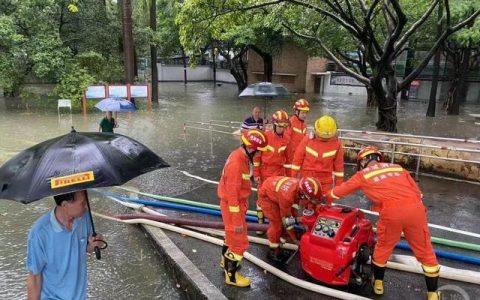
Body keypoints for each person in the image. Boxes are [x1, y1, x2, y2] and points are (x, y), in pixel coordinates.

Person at [326, 146, 440, 300]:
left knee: (384, 247)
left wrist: (323, 194)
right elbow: (418, 193)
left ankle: (378, 284)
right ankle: (433, 293)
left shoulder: (363, 174)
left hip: (392, 213)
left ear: (364, 160)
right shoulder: (398, 168)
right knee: (426, 251)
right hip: (416, 210)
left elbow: (338, 192)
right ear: (378, 158)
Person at [26, 190, 105, 300]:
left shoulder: (84, 217)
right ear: (65, 205)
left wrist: (94, 244)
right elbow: (34, 277)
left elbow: (84, 248)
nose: (86, 205)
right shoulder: (39, 233)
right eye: (82, 203)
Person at [217, 129, 268, 287]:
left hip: (233, 205)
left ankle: (225, 261)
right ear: (252, 148)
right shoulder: (237, 163)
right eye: (258, 151)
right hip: (234, 207)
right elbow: (233, 196)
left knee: (230, 236)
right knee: (240, 243)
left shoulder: (239, 155)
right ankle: (231, 276)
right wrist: (238, 220)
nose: (259, 154)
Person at [257, 176, 321, 263]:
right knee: (277, 224)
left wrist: (298, 221)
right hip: (267, 197)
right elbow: (286, 221)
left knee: (288, 217)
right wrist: (294, 239)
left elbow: (293, 208)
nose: (310, 201)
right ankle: (274, 250)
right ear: (303, 194)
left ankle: (280, 242)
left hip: (274, 189)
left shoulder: (298, 187)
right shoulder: (287, 196)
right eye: (310, 199)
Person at [253, 110, 290, 232]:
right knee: (261, 199)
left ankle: (274, 221)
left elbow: (288, 159)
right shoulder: (266, 137)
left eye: (284, 125)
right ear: (274, 124)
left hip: (279, 173)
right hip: (265, 171)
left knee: (276, 199)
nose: (282, 128)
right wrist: (256, 173)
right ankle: (260, 224)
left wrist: (289, 177)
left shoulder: (287, 138)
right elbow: (257, 157)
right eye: (280, 125)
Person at [291, 115, 344, 192]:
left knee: (319, 202)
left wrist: (338, 189)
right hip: (310, 180)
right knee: (307, 201)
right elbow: (297, 160)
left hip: (321, 182)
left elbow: (339, 168)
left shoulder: (337, 144)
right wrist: (294, 180)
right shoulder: (307, 140)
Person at [285, 99, 310, 176]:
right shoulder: (291, 122)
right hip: (291, 157)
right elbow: (286, 140)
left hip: (300, 156)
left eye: (306, 113)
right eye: (303, 113)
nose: (304, 115)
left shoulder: (304, 124)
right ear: (296, 111)